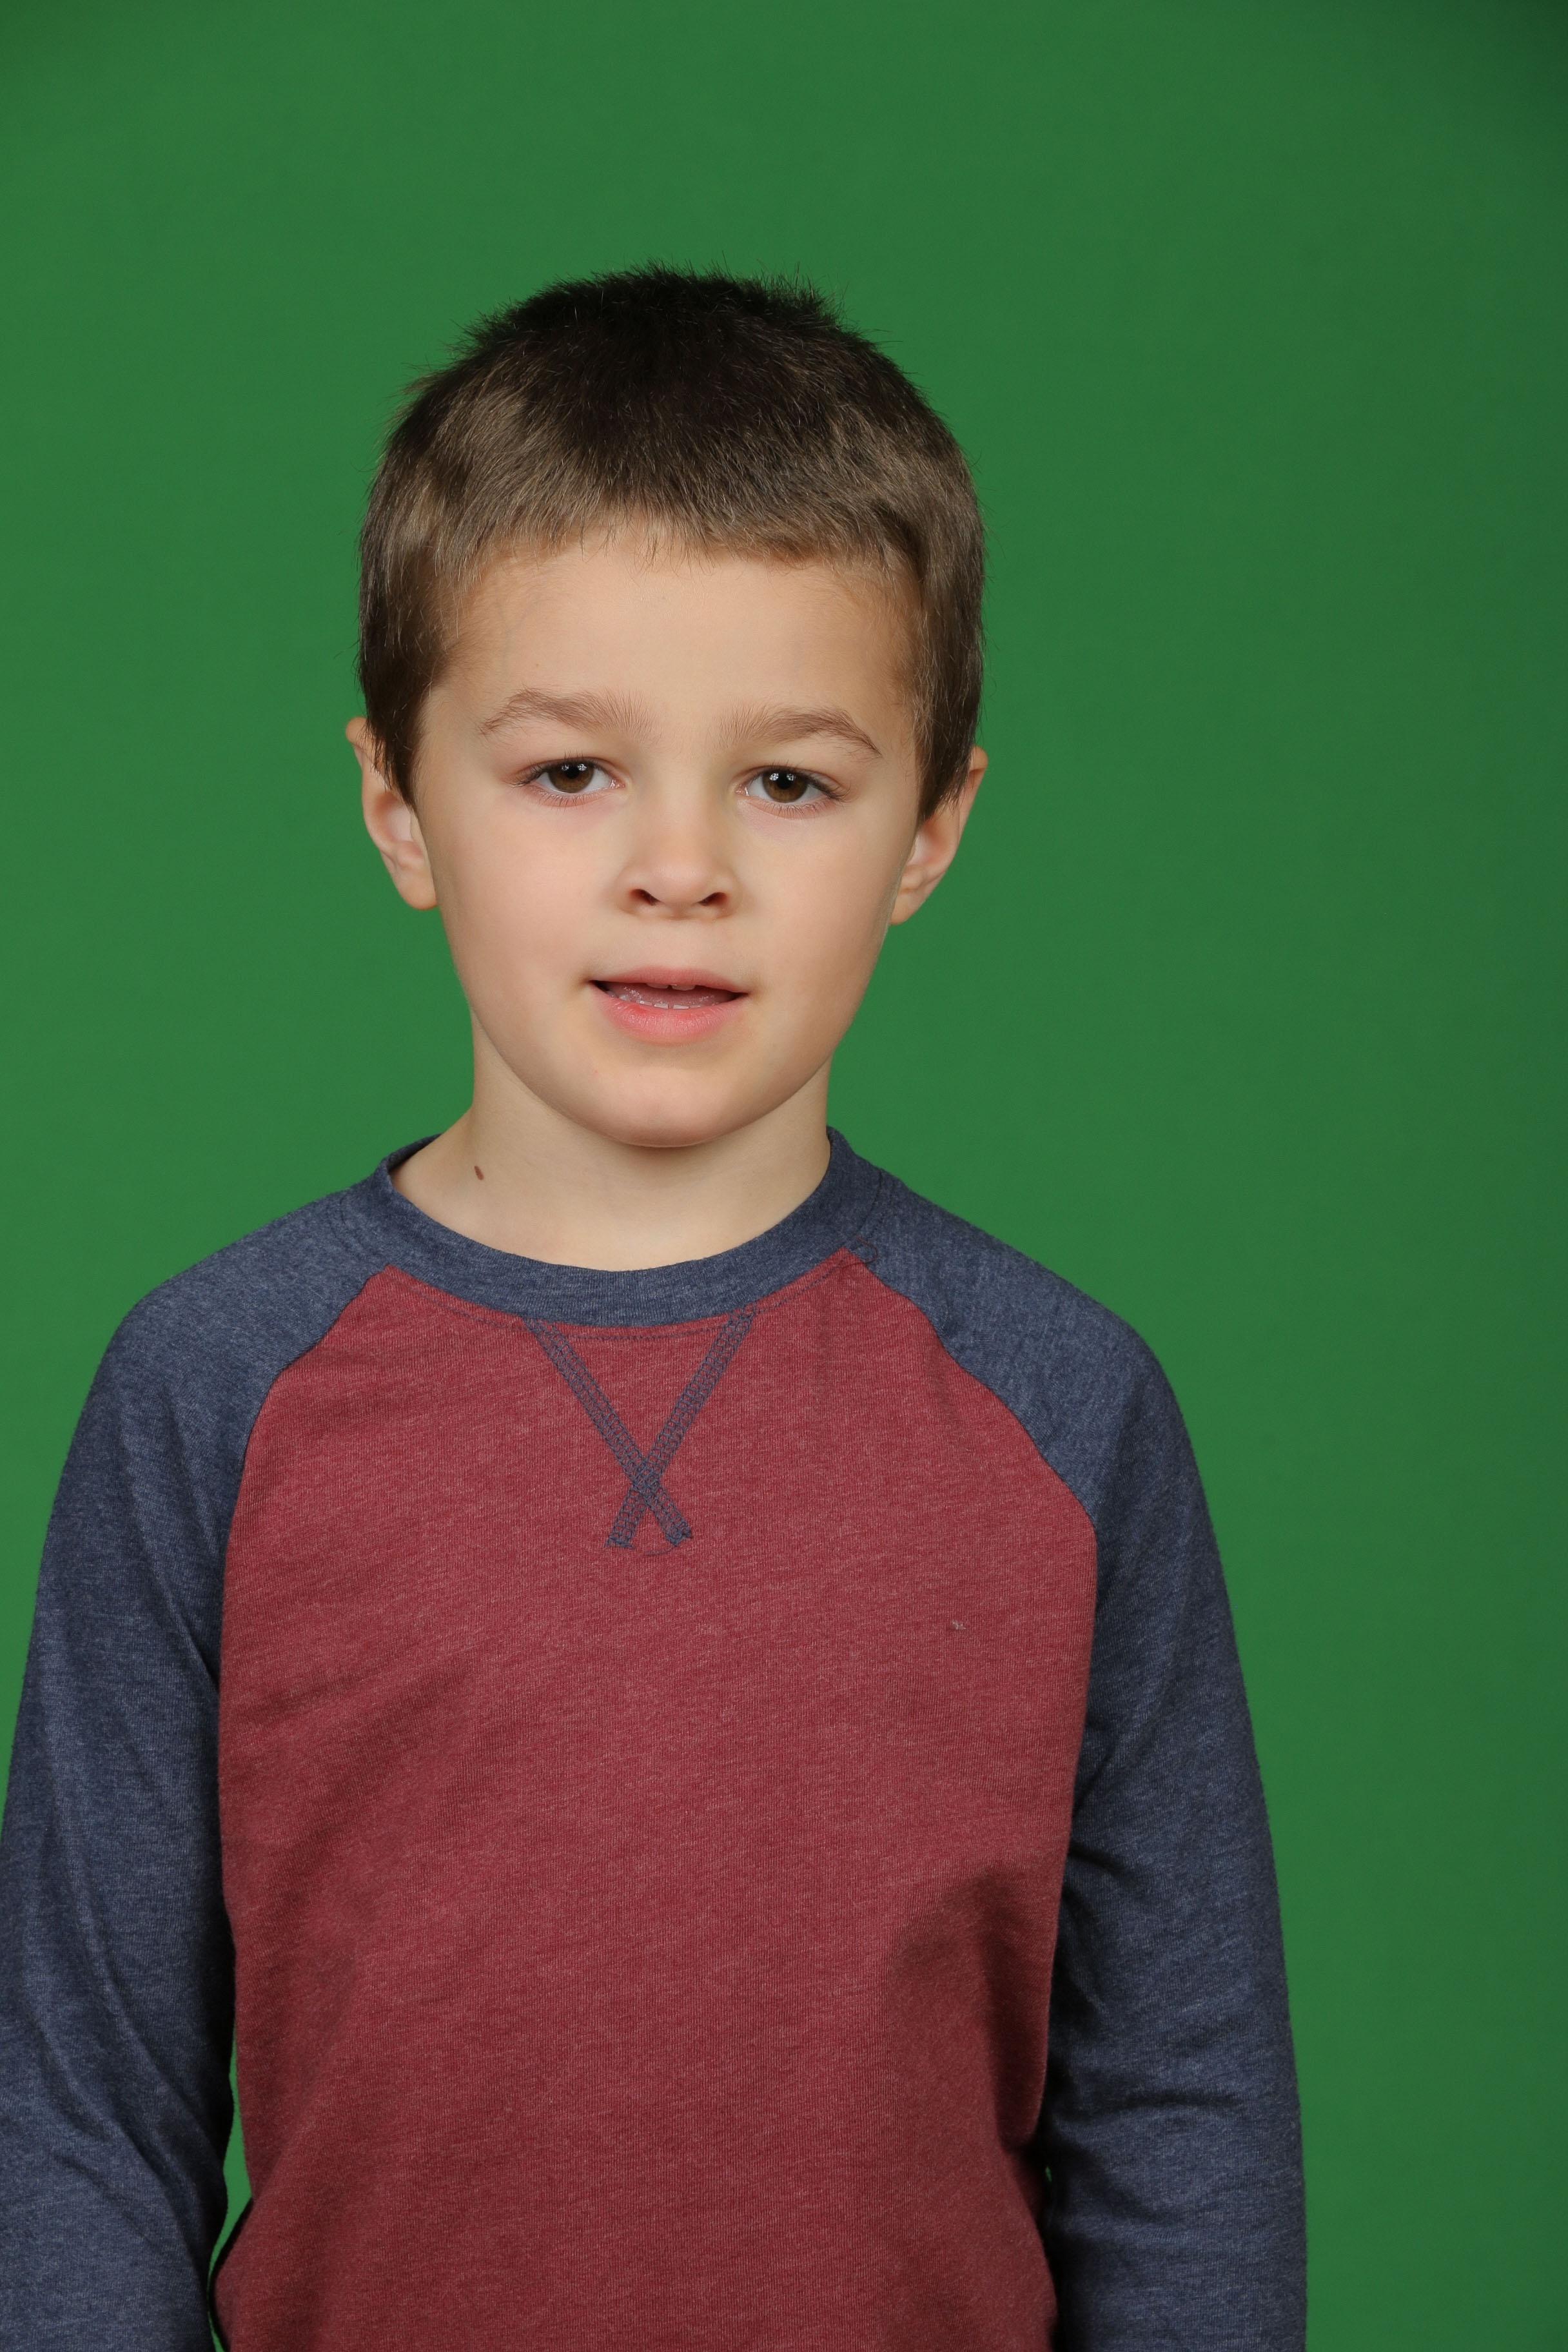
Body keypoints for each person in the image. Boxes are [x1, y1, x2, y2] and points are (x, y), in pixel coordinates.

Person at [0, 267, 1305, 2351]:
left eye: (788, 783)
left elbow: (1183, 2120)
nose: (678, 865)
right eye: (569, 773)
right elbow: (79, 2120)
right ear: (397, 806)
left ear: (932, 828)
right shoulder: (212, 1389)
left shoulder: (1068, 1410)